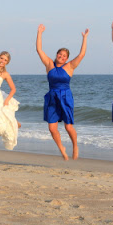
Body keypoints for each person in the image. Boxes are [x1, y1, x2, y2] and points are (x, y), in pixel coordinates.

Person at [36, 24, 88, 160]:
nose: (61, 56)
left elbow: (82, 54)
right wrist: (40, 32)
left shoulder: (70, 66)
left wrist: (85, 38)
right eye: (60, 54)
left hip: (65, 96)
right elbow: (39, 49)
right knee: (52, 128)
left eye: (64, 56)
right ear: (57, 55)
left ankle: (75, 146)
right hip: (52, 97)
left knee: (68, 127)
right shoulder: (49, 65)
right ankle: (62, 149)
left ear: (66, 58)